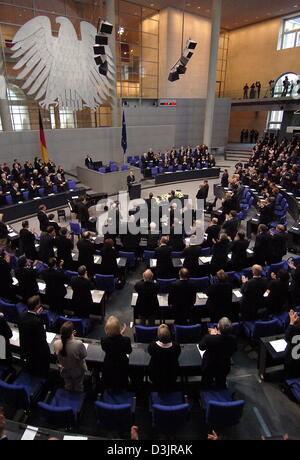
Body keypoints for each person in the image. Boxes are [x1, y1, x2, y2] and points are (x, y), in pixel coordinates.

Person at [199, 317, 237, 389]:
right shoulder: (233, 339)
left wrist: (212, 335)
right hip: (224, 366)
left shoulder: (208, 338)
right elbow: (234, 350)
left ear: (218, 327)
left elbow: (201, 347)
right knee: (221, 383)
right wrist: (216, 335)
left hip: (209, 367)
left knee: (206, 384)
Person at [19, 296, 51, 377]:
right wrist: (43, 327)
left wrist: (37, 315)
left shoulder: (21, 316)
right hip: (37, 353)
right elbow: (43, 337)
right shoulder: (37, 322)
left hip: (26, 349)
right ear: (37, 306)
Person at [54, 321, 87, 392]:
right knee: (79, 385)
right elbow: (83, 356)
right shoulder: (78, 344)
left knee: (68, 384)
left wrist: (71, 337)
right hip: (77, 371)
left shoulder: (56, 343)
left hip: (64, 370)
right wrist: (73, 339)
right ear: (71, 332)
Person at [101, 316, 132, 391]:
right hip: (122, 365)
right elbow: (129, 351)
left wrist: (120, 335)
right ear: (119, 328)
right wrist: (121, 335)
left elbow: (112, 342)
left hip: (109, 364)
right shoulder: (126, 340)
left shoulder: (104, 340)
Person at [148, 324, 181, 391]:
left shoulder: (153, 346)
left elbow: (150, 353)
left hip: (156, 376)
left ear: (158, 335)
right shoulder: (176, 346)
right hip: (171, 375)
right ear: (169, 334)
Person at [284, 310, 300, 378]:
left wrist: (292, 322)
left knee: (290, 375)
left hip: (292, 357)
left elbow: (287, 336)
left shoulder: (295, 328)